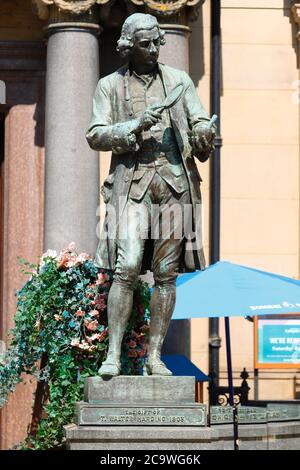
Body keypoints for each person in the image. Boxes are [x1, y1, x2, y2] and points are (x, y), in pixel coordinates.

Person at [86, 13, 215, 377]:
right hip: (131, 184)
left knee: (166, 274)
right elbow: (95, 133)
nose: (155, 48)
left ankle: (154, 356)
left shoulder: (179, 81)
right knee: (125, 268)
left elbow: (198, 122)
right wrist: (132, 126)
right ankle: (112, 354)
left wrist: (203, 133)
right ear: (128, 45)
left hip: (174, 184)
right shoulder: (110, 86)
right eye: (146, 43)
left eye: (157, 41)